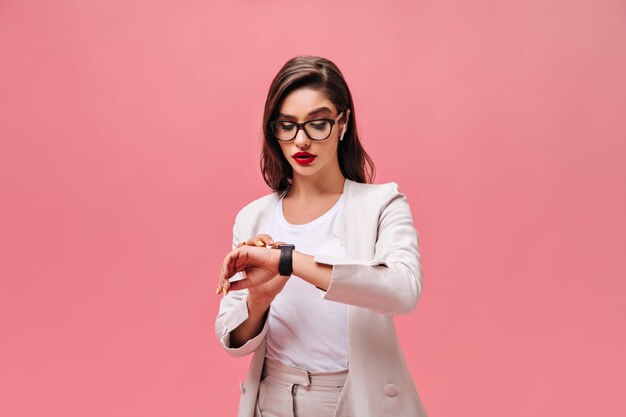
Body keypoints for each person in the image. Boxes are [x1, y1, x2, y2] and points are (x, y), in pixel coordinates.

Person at [215, 55, 428, 417]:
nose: (302, 140)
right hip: (273, 399)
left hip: (355, 399)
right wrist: (259, 301)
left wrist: (288, 261)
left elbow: (403, 291)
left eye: (318, 124)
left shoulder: (381, 203)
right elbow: (231, 340)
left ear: (343, 122)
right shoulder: (254, 217)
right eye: (287, 125)